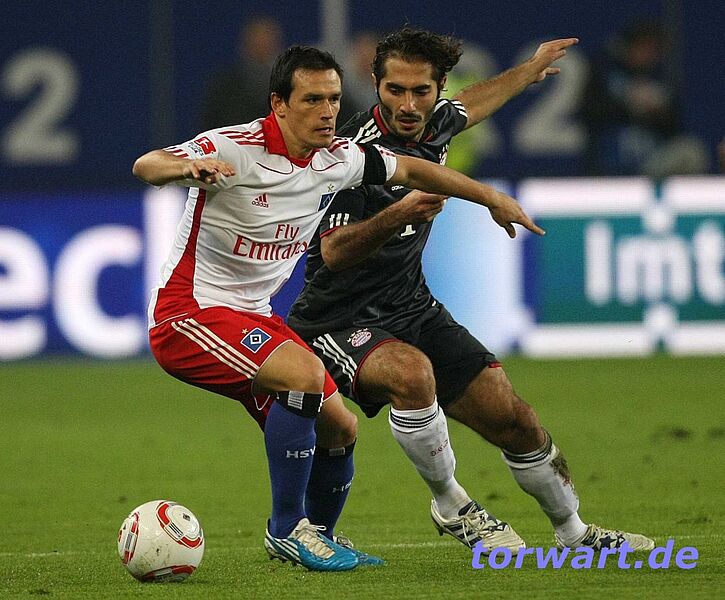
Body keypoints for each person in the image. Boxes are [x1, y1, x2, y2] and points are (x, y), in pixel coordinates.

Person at [133, 44, 544, 570]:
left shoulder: (339, 160)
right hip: (190, 315)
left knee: (340, 427)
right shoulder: (234, 147)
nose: (327, 111)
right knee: (305, 376)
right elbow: (147, 165)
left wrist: (490, 197)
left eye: (332, 98)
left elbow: (416, 171)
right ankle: (288, 529)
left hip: (253, 316)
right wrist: (188, 166)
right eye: (312, 100)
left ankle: (320, 536)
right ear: (279, 104)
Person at [288, 28, 655, 554]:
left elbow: (471, 105)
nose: (408, 105)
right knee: (413, 376)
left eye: (421, 91)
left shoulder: (434, 120)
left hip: (411, 306)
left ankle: (575, 533)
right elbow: (332, 252)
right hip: (337, 318)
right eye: (394, 90)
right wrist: (397, 214)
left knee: (514, 418)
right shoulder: (349, 154)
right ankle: (452, 504)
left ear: (440, 86)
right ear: (375, 83)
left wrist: (528, 71)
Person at [580, 20, 708, 177]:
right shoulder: (604, 71)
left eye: (654, 50)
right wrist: (629, 104)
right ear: (629, 46)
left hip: (649, 165)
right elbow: (590, 114)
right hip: (611, 160)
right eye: (644, 47)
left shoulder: (658, 78)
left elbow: (675, 127)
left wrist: (656, 113)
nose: (648, 55)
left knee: (691, 151)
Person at [198, 16, 284, 131]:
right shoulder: (225, 85)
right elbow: (210, 126)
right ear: (245, 44)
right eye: (256, 41)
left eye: (266, 40)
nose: (261, 46)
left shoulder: (287, 84)